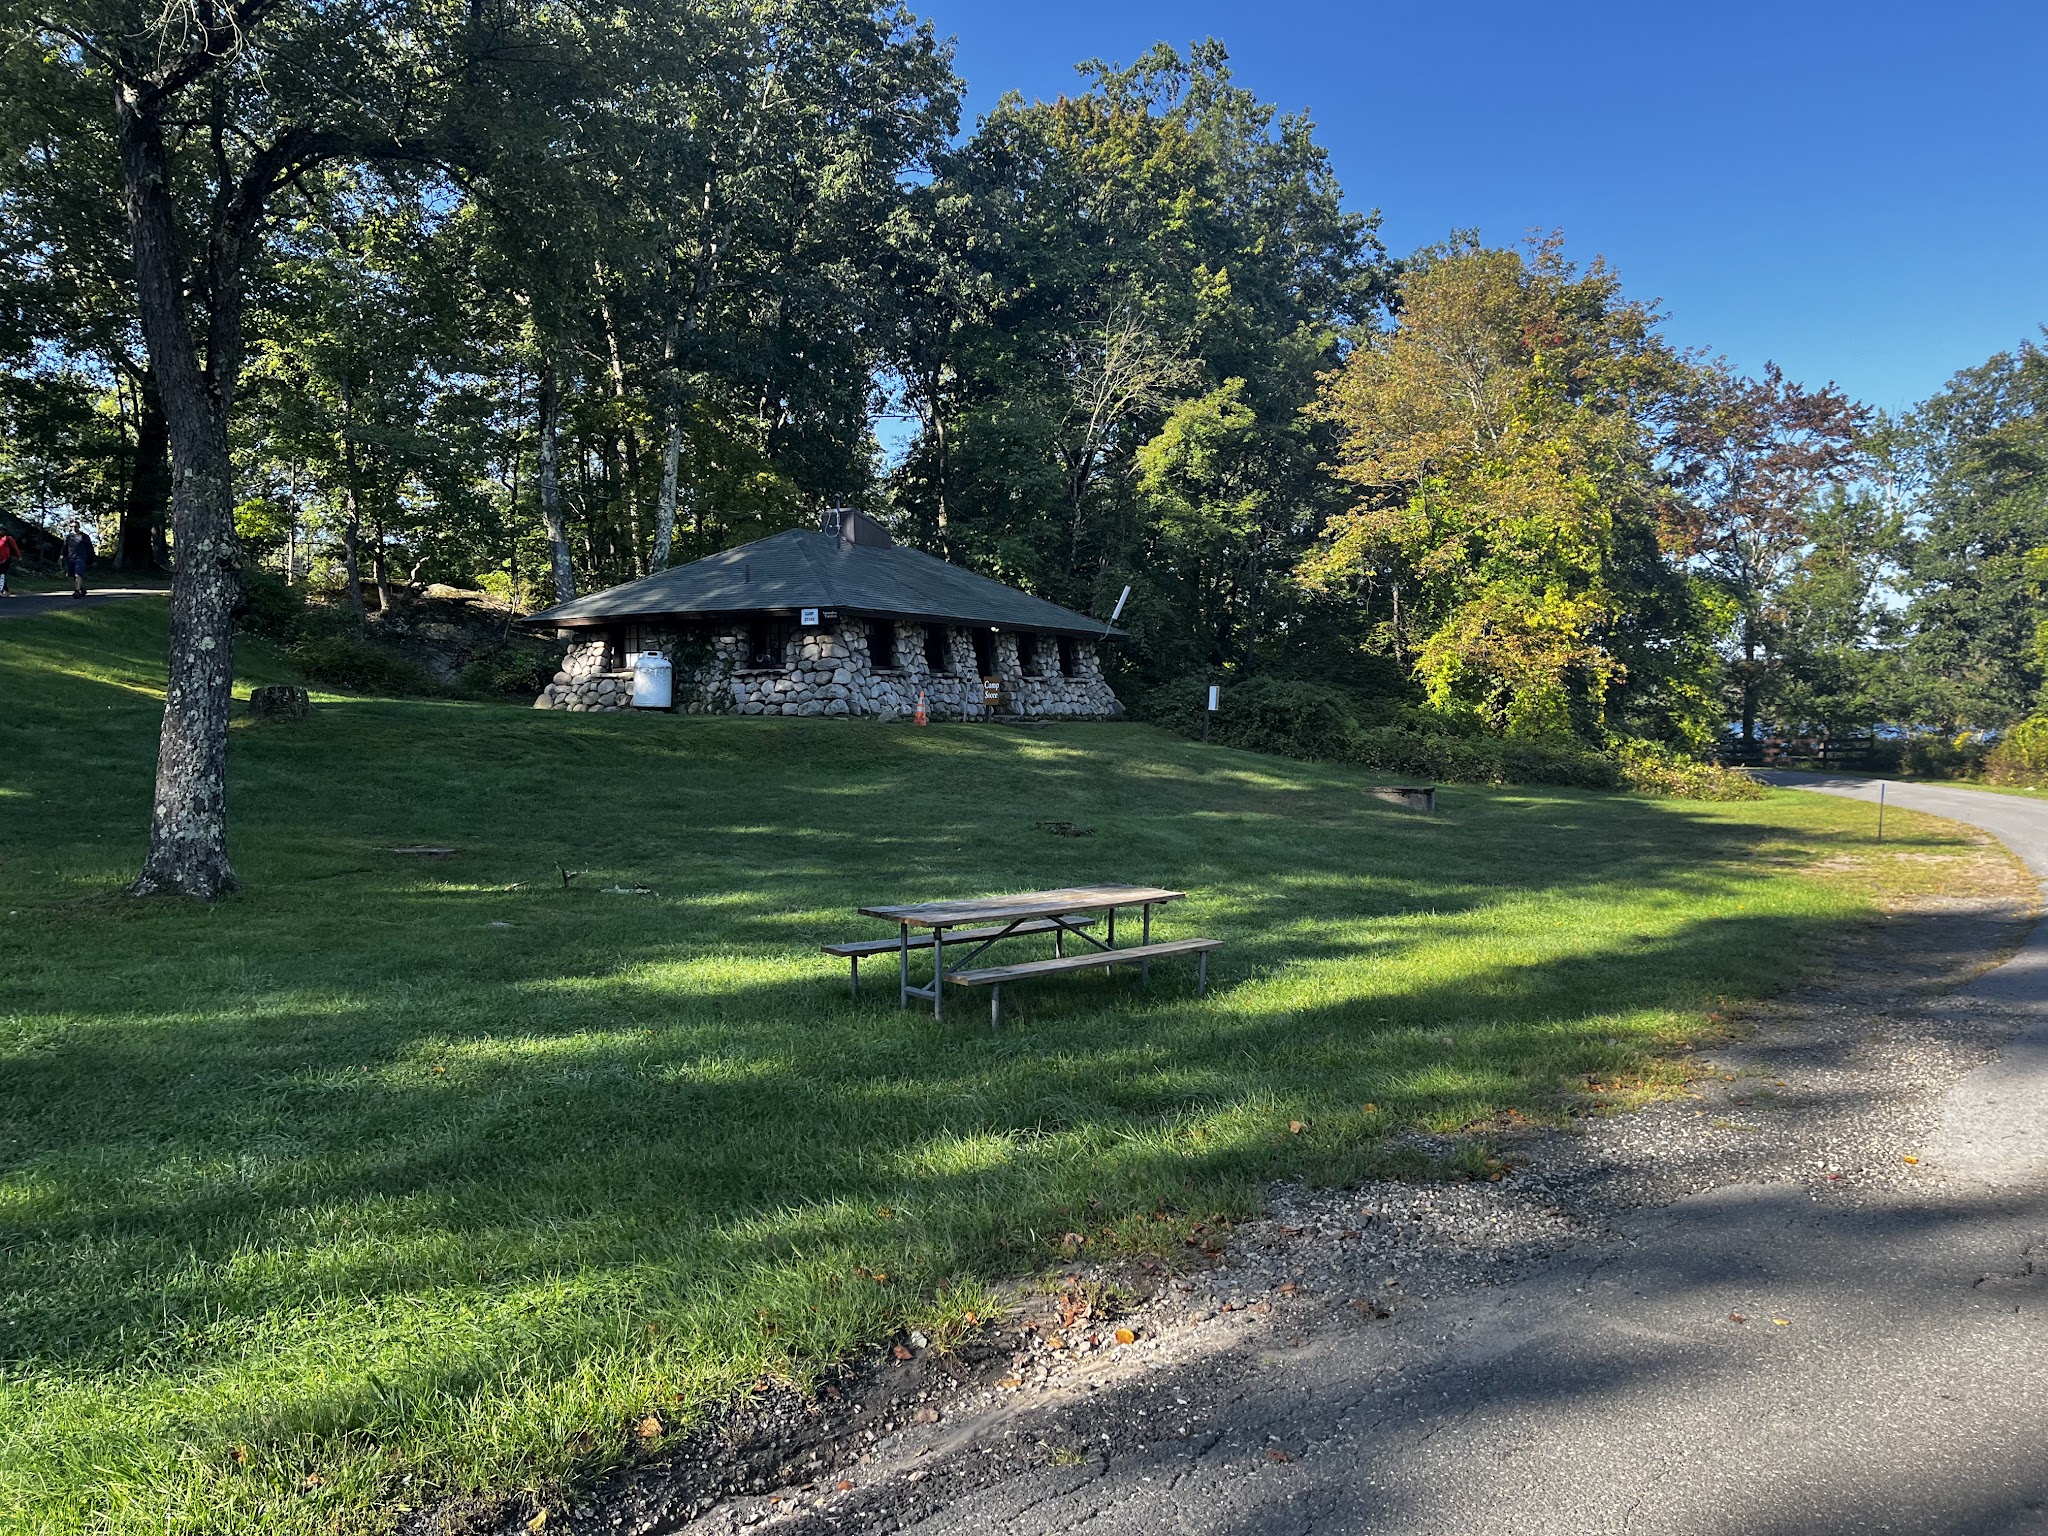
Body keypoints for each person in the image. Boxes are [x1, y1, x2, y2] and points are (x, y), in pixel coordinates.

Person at [62, 522, 93, 599]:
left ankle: (77, 591)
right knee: (72, 575)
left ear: (79, 527)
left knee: (78, 574)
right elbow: (65, 547)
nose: (73, 528)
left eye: (75, 526)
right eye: (71, 526)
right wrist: (62, 556)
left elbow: (90, 548)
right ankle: (81, 588)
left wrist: (93, 559)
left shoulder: (84, 537)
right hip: (70, 558)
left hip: (81, 558)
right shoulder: (69, 537)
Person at [0, 527, 18, 598]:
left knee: (1, 574)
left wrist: (18, 556)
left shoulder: (8, 539)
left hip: (6, 559)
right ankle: (5, 589)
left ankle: (2, 590)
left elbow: (15, 548)